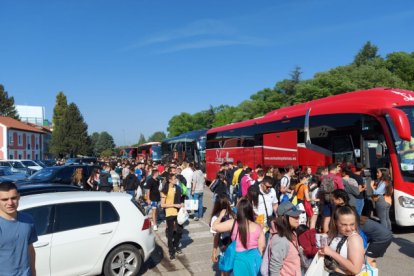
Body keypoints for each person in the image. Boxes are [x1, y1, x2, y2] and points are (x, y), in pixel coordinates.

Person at [213, 198, 265, 276]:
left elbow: (214, 227)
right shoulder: (258, 227)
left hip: (237, 261)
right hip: (252, 262)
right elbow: (262, 249)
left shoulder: (234, 223)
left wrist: (220, 216)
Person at [0, 182, 38, 276]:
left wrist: (33, 273)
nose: (10, 203)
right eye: (4, 199)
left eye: (13, 198)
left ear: (19, 197)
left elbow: (30, 250)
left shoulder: (28, 220)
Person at [319, 205, 365, 275]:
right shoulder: (334, 232)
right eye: (344, 224)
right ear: (336, 222)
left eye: (352, 224)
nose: (349, 228)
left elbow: (356, 269)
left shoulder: (354, 239)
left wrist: (331, 253)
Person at [264, 201, 302, 276]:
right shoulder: (280, 239)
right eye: (294, 216)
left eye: (298, 215)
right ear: (284, 218)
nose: (298, 218)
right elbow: (274, 269)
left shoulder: (292, 233)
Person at [210, 194, 236, 276]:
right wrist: (214, 252)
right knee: (225, 269)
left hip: (230, 246)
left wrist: (214, 252)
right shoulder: (218, 218)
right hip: (228, 246)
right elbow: (216, 236)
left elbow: (216, 237)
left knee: (226, 269)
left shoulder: (232, 215)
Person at [161, 173, 184, 260]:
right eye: (174, 179)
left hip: (178, 213)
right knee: (170, 233)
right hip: (169, 213)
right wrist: (174, 205)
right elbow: (162, 205)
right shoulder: (165, 190)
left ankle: (175, 245)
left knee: (180, 231)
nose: (176, 180)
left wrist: (181, 203)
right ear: (169, 180)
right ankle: (171, 252)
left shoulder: (177, 188)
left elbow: (181, 199)